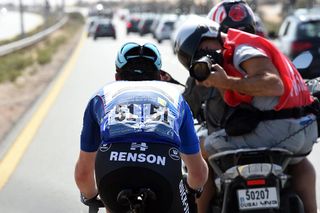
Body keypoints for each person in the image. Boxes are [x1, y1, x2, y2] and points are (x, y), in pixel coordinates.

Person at [174, 17, 318, 213]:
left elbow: (274, 84)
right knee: (302, 167)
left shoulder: (241, 49)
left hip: (276, 131)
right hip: (298, 130)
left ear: (210, 36)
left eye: (202, 49)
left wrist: (227, 82)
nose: (202, 56)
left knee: (197, 152)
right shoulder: (241, 50)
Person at [74, 41, 209, 213]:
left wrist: (92, 197)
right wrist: (191, 190)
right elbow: (198, 173)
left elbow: (83, 174)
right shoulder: (176, 97)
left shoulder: (101, 95)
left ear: (117, 77)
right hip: (163, 168)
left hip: (112, 166)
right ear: (160, 76)